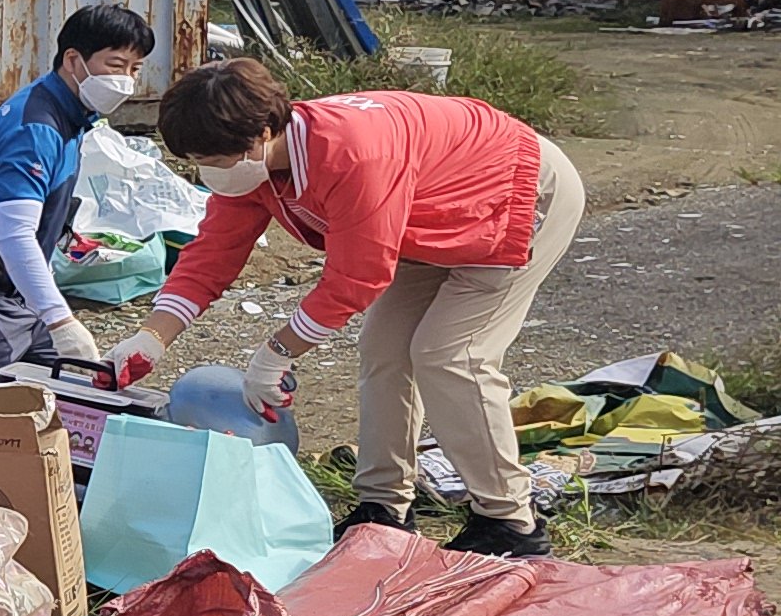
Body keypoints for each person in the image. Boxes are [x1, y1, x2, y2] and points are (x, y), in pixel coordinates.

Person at [116, 57, 585, 556]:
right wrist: (151, 338)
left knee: (450, 356)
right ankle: (384, 506)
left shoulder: (352, 155)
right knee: (385, 349)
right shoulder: (252, 167)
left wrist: (277, 353)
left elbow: (357, 277)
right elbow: (213, 254)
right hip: (425, 218)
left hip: (513, 196)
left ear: (263, 134)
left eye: (212, 158)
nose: (207, 171)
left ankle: (510, 520)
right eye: (197, 160)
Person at [0, 5, 156, 385]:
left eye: (135, 69)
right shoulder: (36, 128)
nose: (126, 80)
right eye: (116, 65)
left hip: (20, 299)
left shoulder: (72, 116)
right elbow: (13, 236)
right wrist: (61, 320)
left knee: (71, 398)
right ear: (73, 60)